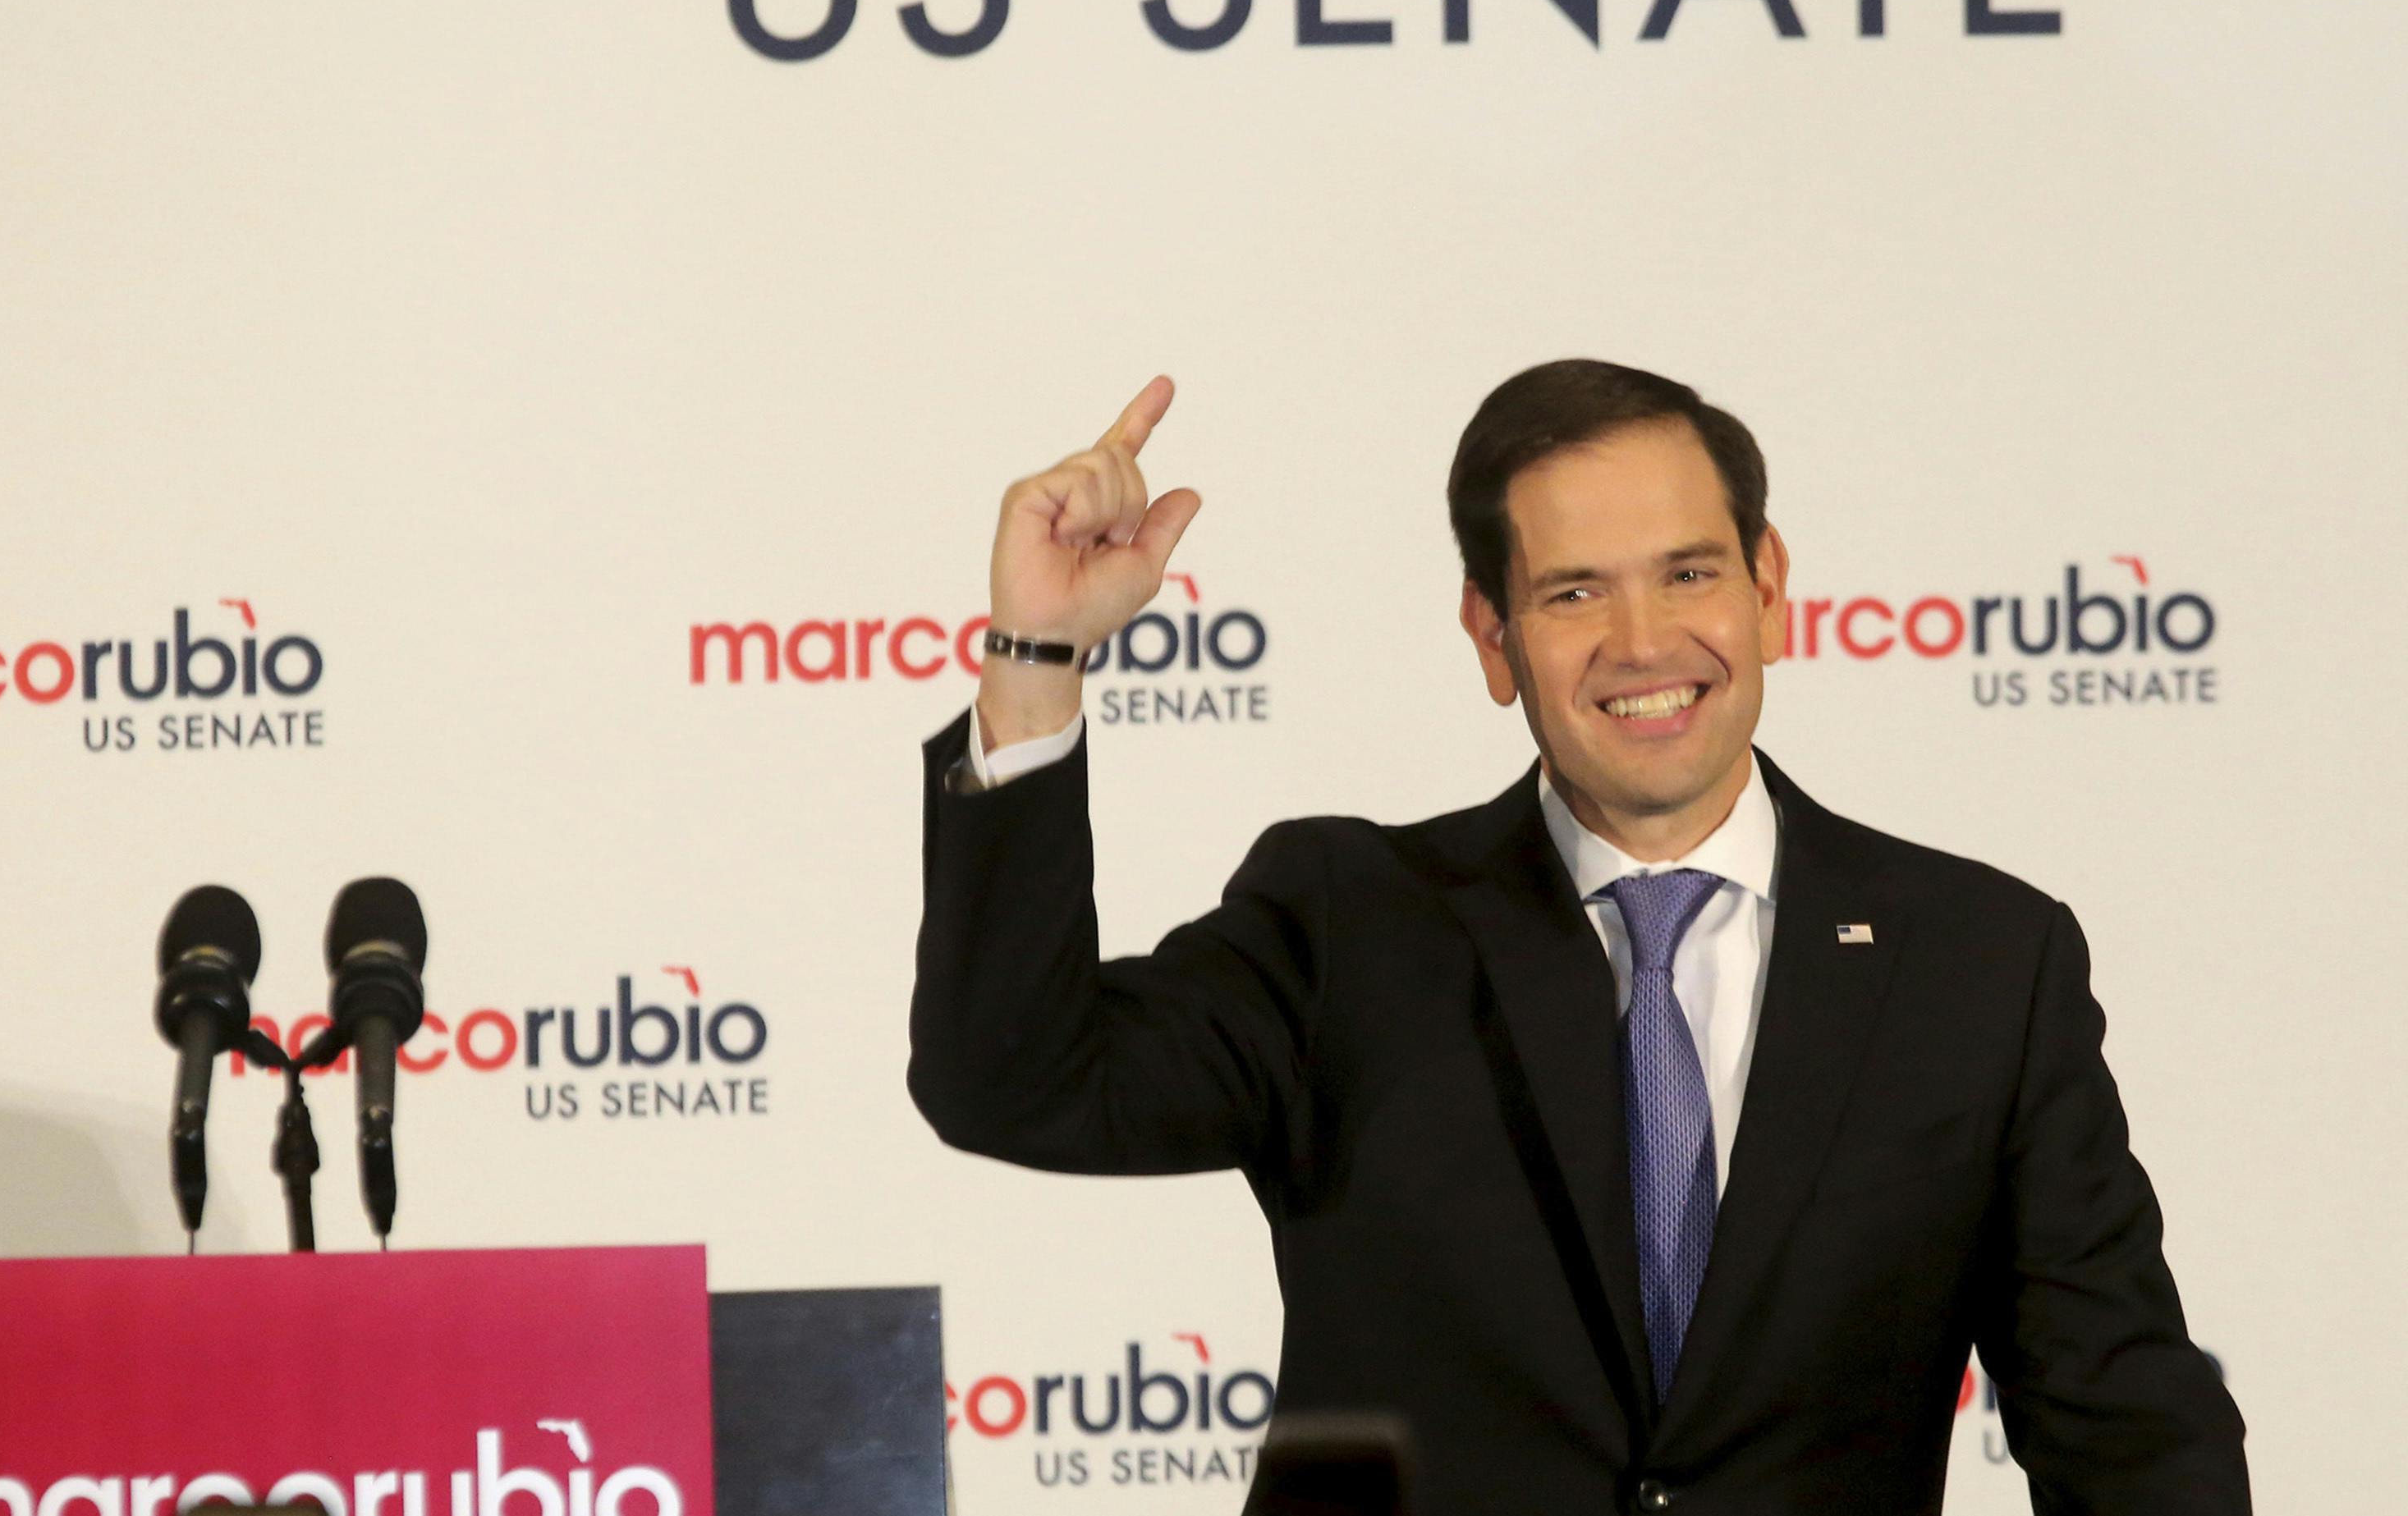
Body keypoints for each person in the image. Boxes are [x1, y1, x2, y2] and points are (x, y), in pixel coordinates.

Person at [909, 360, 2249, 1513]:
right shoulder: (1349, 922)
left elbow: (2126, 1428)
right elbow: (1016, 1081)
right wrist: (1035, 654)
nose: (1644, 640)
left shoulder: (1978, 964)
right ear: (1491, 635)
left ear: (1770, 585)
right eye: (1571, 595)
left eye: (1690, 573)